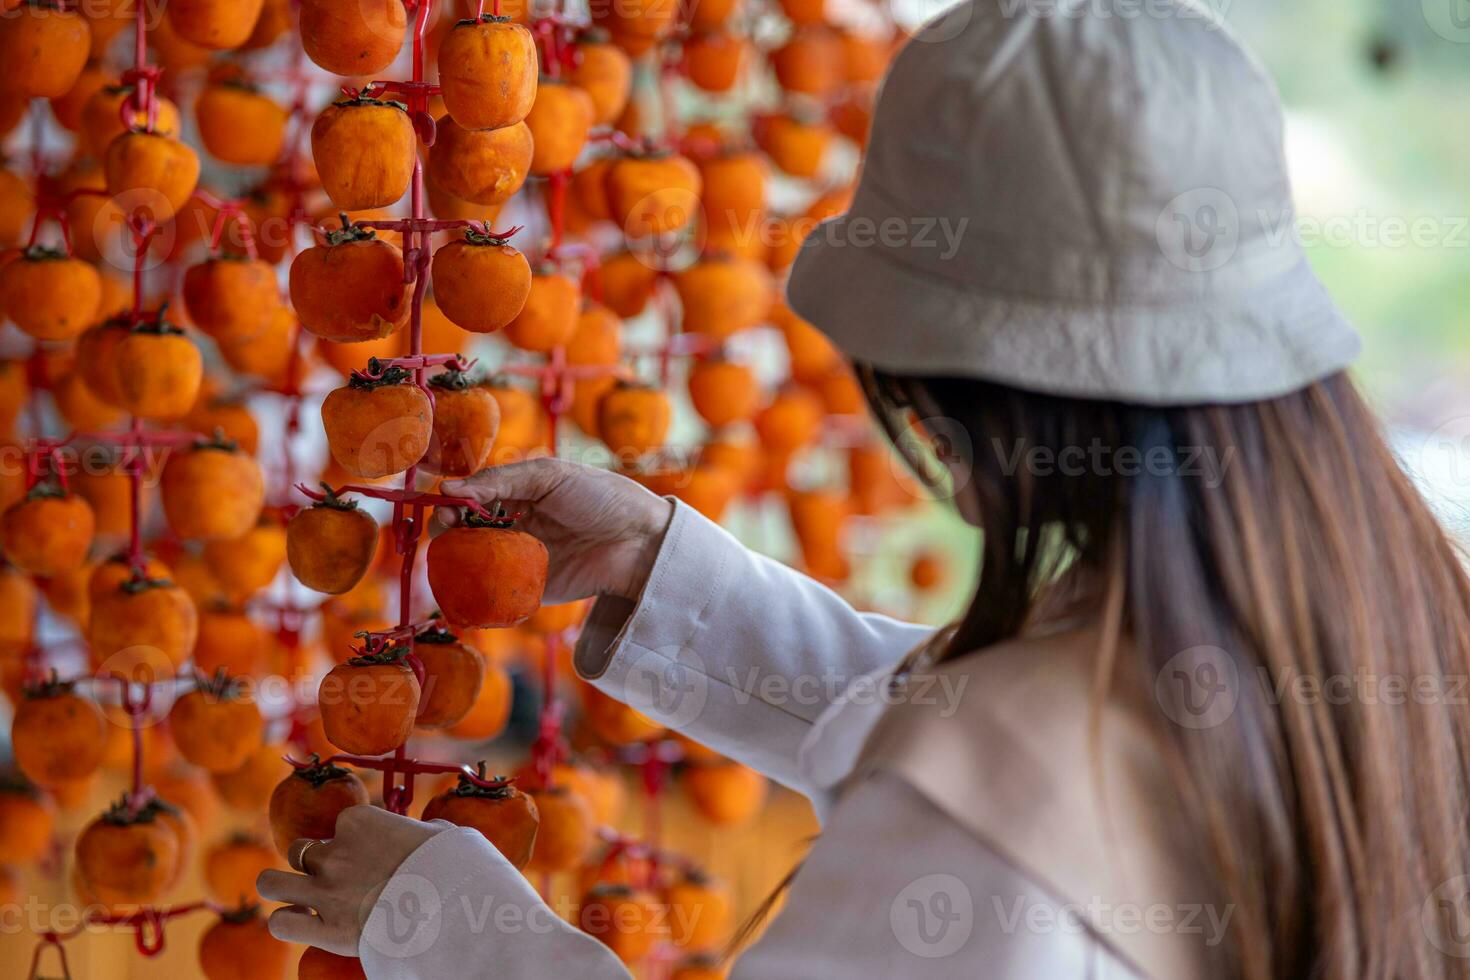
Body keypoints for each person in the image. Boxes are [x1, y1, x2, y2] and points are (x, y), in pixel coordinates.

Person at [258, 0, 1470, 977]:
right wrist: (665, 571)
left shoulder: (982, 822)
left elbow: (1005, 765)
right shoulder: (1379, 612)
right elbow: (1021, 730)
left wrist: (447, 925)